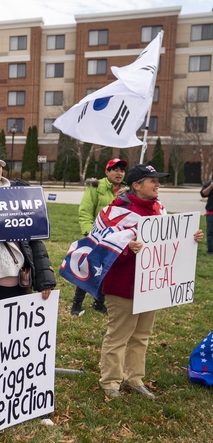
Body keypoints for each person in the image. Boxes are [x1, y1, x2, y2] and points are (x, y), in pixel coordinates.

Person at [0, 147, 56, 423]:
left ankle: (25, 398)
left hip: (18, 282)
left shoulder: (19, 196)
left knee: (22, 344)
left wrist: (45, 277)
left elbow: (34, 241)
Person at [98, 164, 203, 399]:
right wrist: (126, 248)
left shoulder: (159, 209)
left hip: (150, 286)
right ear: (136, 185)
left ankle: (134, 378)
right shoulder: (115, 212)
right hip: (123, 285)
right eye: (152, 180)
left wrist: (191, 237)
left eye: (158, 180)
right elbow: (101, 244)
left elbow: (170, 241)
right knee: (119, 335)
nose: (158, 184)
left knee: (142, 335)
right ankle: (111, 382)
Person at [72, 158, 128, 315]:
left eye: (122, 170)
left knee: (106, 270)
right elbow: (85, 210)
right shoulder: (96, 187)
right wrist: (89, 233)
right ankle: (77, 304)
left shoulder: (126, 191)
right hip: (95, 237)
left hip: (115, 240)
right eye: (115, 169)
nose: (119, 173)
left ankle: (99, 302)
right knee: (86, 269)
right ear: (107, 171)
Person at [200, 176, 213, 255]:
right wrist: (211, 187)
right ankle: (211, 251)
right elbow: (203, 194)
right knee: (210, 233)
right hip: (211, 212)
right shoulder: (210, 183)